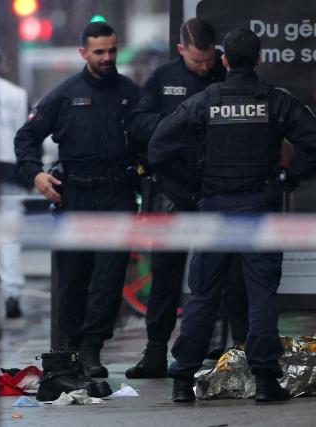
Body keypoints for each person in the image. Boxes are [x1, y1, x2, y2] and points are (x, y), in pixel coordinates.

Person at [148, 28, 316, 403]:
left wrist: (194, 185)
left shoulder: (206, 100)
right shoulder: (274, 101)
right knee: (261, 294)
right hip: (258, 208)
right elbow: (315, 140)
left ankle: (183, 379)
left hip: (214, 209)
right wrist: (289, 178)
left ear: (224, 60)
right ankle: (265, 380)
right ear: (259, 59)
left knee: (202, 294)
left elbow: (159, 145)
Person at [15, 22, 141, 378]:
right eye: (99, 52)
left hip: (117, 196)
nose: (107, 58)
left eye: (112, 51)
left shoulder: (131, 94)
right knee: (73, 279)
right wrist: (36, 175)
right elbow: (26, 138)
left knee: (108, 280)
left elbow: (153, 141)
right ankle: (69, 351)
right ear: (83, 53)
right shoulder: (64, 94)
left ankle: (91, 349)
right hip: (76, 198)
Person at [127, 17, 247, 379]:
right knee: (165, 276)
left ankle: (221, 347)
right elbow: (139, 125)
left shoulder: (227, 71)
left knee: (223, 277)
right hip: (173, 192)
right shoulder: (163, 78)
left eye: (210, 58)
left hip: (217, 190)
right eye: (196, 61)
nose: (205, 65)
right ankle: (154, 351)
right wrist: (177, 125)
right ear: (181, 50)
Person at [0, 47, 30, 319]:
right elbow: (25, 135)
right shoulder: (18, 94)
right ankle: (12, 292)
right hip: (11, 169)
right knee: (9, 238)